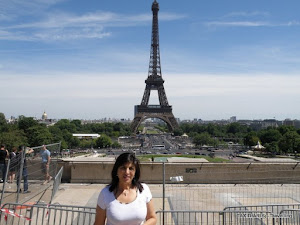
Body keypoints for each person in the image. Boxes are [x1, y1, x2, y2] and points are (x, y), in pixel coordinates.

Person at [94, 153, 157, 225]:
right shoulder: (105, 194)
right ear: (116, 171)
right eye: (123, 168)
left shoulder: (144, 190)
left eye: (131, 168)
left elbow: (152, 218)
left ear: (135, 172)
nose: (127, 172)